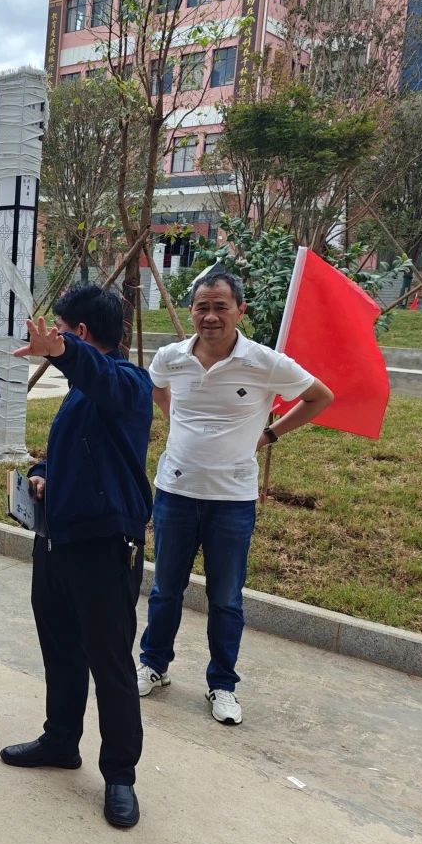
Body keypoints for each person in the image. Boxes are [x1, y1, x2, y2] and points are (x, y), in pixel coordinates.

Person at [137, 271, 333, 725]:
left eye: (220, 307)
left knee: (226, 598)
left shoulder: (265, 362)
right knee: (165, 590)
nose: (210, 316)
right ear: (191, 311)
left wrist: (269, 434)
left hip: (232, 500)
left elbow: (320, 397)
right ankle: (153, 665)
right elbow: (156, 385)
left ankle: (223, 684)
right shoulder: (171, 357)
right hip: (175, 493)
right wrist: (176, 418)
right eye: (202, 307)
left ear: (240, 311)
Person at [0, 285, 153, 830]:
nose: (53, 337)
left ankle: (120, 775)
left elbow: (103, 378)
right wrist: (43, 475)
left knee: (110, 663)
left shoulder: (129, 383)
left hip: (104, 547)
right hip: (57, 541)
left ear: (80, 334)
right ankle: (61, 740)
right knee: (61, 649)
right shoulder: (77, 392)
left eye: (61, 330)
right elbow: (79, 453)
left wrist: (64, 352)